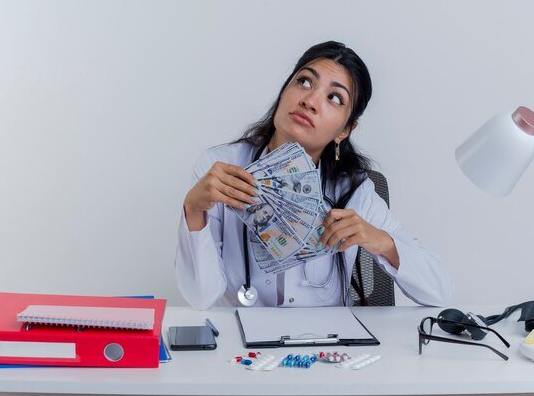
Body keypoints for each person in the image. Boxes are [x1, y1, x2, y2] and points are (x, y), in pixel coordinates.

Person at [176, 41, 453, 309]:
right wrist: (194, 210)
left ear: (345, 130)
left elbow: (439, 290)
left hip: (323, 349)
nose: (310, 101)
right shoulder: (221, 167)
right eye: (305, 81)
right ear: (284, 92)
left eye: (334, 98)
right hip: (242, 347)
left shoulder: (355, 190)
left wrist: (380, 241)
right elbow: (201, 297)